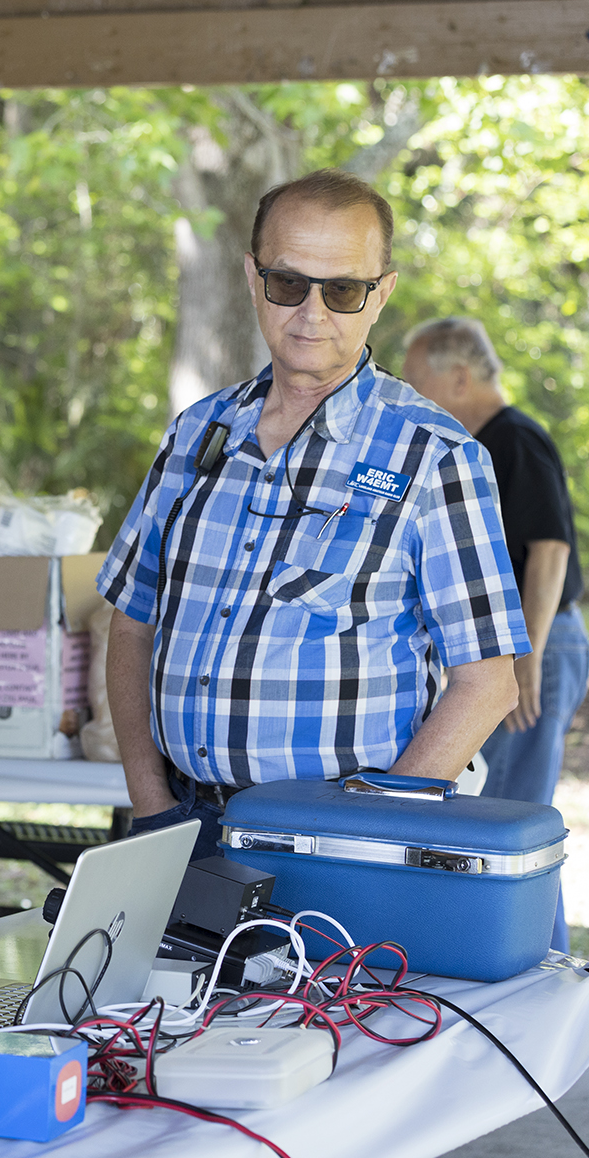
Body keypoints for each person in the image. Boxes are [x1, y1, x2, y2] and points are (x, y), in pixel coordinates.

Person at [98, 169, 528, 860]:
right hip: (179, 826)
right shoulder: (194, 434)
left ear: (381, 295)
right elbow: (131, 619)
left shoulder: (437, 456)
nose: (313, 312)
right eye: (289, 283)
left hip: (335, 843)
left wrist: (374, 833)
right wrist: (150, 804)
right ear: (253, 277)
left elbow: (487, 684)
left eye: (344, 290)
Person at [402, 316, 583, 953]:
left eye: (420, 379)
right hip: (524, 647)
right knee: (501, 817)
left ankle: (545, 975)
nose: (411, 392)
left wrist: (524, 654)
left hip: (540, 644)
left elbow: (552, 549)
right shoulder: (472, 449)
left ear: (460, 374)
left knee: (511, 823)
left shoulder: (513, 438)